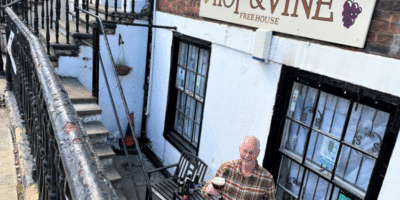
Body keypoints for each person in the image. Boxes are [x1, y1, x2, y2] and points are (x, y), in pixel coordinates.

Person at [201, 136, 275, 200]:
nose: (247, 155)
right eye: (245, 151)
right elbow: (204, 190)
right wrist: (209, 193)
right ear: (239, 149)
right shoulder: (226, 167)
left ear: (258, 153)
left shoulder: (267, 179)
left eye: (251, 152)